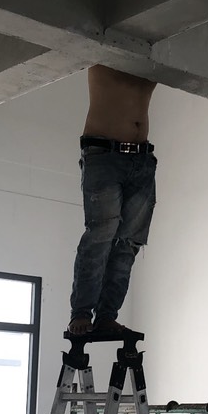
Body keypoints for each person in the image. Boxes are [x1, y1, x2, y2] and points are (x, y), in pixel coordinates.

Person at [67, 64, 157, 337]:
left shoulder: (153, 60)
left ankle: (107, 316)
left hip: (142, 159)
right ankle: (82, 312)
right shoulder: (107, 54)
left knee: (129, 243)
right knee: (101, 235)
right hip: (103, 153)